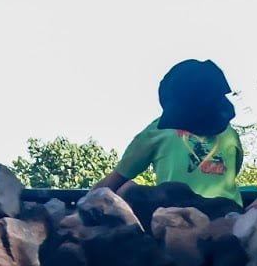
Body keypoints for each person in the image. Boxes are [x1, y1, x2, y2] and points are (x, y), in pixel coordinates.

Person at [93, 59, 244, 205]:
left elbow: (113, 182)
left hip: (176, 214)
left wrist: (83, 205)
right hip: (228, 213)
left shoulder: (157, 130)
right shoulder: (230, 134)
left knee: (126, 188)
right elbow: (232, 172)